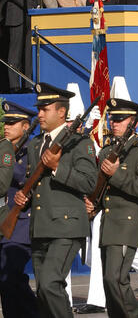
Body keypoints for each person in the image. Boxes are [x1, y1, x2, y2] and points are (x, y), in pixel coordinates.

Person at [14, 82, 97, 318]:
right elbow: (35, 184)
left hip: (66, 226)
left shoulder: (80, 143)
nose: (39, 114)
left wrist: (58, 167)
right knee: (43, 290)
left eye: (45, 108)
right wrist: (24, 196)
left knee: (51, 283)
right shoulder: (36, 144)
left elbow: (89, 183)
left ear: (61, 112)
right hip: (41, 225)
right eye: (39, 108)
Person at [88, 97, 138, 318]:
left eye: (120, 119)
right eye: (112, 118)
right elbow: (100, 187)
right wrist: (92, 203)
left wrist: (116, 173)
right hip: (108, 223)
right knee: (110, 283)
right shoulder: (105, 150)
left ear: (134, 123)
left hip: (126, 223)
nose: (114, 123)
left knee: (116, 278)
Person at [0, 101, 39, 318]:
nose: (7, 126)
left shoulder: (31, 150)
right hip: (5, 221)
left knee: (12, 276)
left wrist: (7, 161)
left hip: (22, 223)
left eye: (13, 123)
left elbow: (28, 178)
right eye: (6, 122)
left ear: (26, 127)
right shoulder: (5, 148)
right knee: (5, 281)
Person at [2, 0, 39, 93]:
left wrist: (36, 7)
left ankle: (28, 83)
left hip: (30, 16)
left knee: (28, 52)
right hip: (16, 16)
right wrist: (29, 6)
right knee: (15, 52)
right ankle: (14, 85)